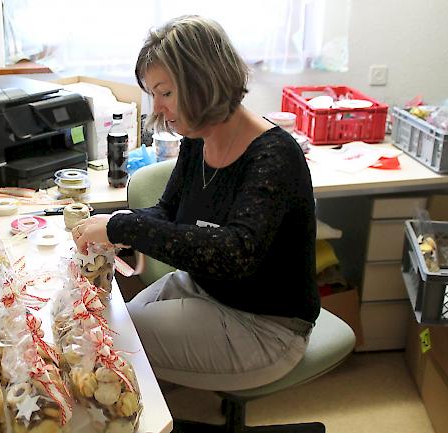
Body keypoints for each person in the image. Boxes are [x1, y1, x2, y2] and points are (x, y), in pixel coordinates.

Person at [72, 15, 319, 392]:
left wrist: (124, 227)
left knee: (113, 345)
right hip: (204, 289)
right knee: (108, 326)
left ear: (205, 82)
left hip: (266, 324)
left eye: (166, 92)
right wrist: (114, 224)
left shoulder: (274, 157)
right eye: (153, 93)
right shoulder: (199, 139)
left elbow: (235, 254)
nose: (158, 107)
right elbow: (167, 212)